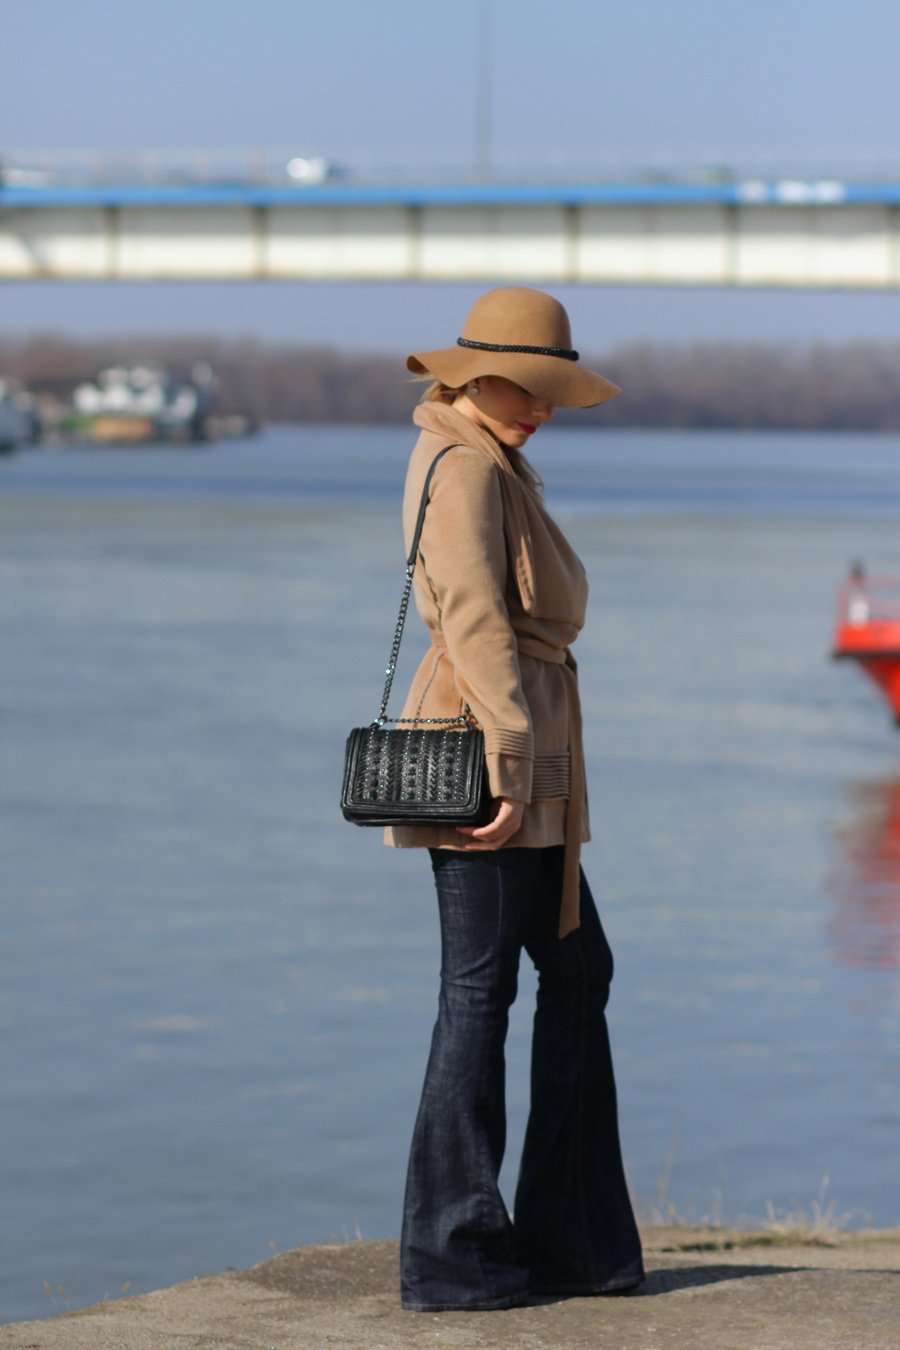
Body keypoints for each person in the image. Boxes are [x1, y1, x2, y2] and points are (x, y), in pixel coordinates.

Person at [386, 286, 644, 1311]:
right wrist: (507, 754)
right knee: (478, 991)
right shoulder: (459, 464)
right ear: (469, 370)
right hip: (486, 740)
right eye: (525, 386)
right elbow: (478, 617)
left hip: (523, 738)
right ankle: (453, 1257)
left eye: (552, 391)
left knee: (576, 969)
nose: (539, 405)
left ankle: (565, 1239)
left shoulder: (493, 457)